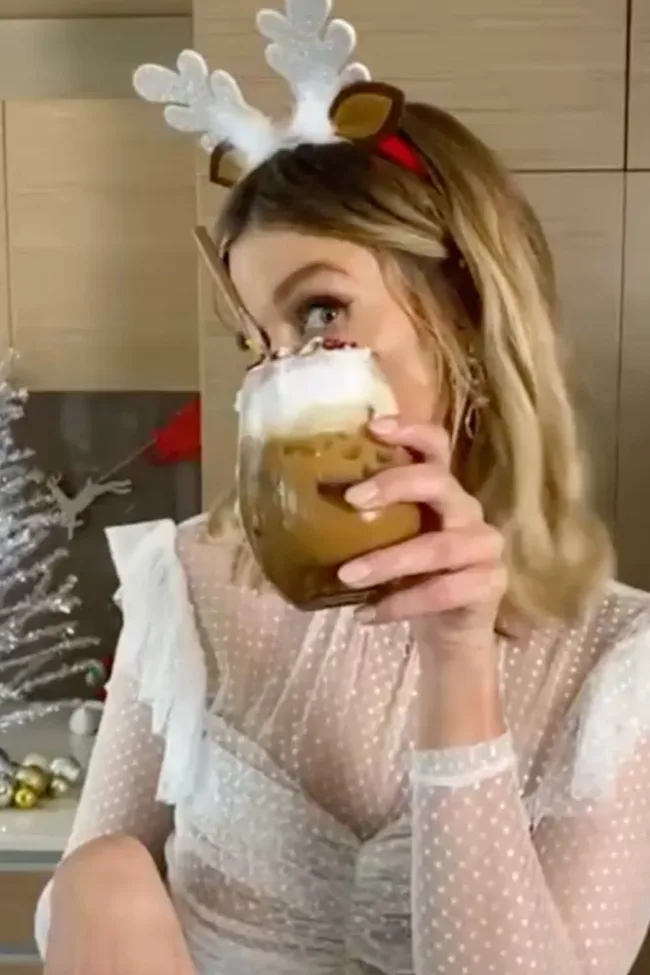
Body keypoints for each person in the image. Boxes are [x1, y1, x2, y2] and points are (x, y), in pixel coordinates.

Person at [36, 2, 650, 973]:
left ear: (466, 316)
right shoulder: (187, 584)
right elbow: (84, 911)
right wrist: (98, 895)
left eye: (320, 314)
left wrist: (457, 663)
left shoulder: (618, 664)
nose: (282, 371)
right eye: (260, 340)